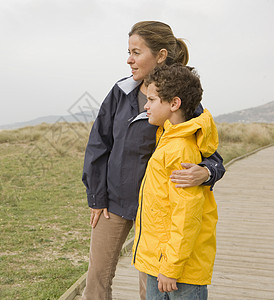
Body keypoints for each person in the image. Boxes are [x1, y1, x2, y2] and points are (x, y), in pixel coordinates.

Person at [81, 21, 225, 300]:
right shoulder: (120, 92)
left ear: (159, 55)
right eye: (128, 51)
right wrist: (97, 196)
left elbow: (209, 153)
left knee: (149, 288)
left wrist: (207, 172)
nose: (129, 59)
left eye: (136, 52)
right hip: (114, 201)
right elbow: (99, 144)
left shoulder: (179, 95)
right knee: (96, 278)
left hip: (159, 210)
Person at [132, 63, 218, 299]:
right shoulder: (168, 140)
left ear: (174, 103)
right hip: (159, 263)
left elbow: (186, 215)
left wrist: (171, 267)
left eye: (151, 99)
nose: (146, 106)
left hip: (178, 272)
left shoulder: (180, 149)